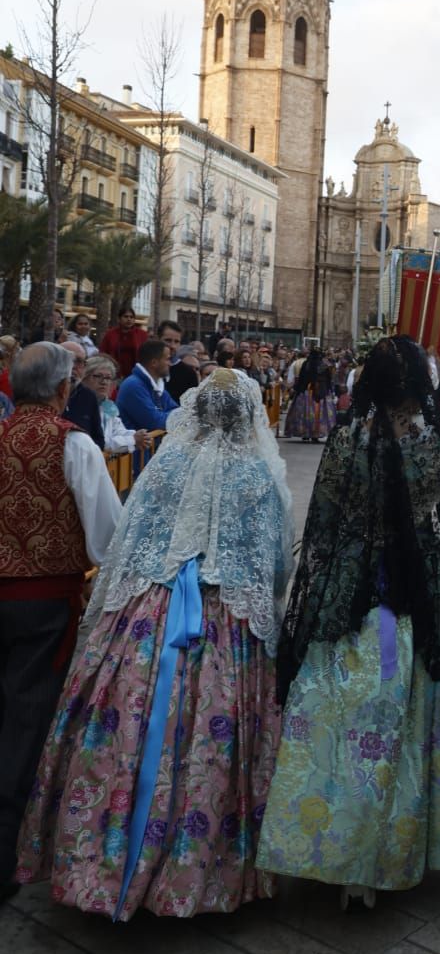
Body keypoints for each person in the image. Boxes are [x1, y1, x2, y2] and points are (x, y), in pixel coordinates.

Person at [16, 368, 294, 919]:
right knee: (208, 743)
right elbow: (272, 565)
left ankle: (100, 859)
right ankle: (195, 873)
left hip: (146, 615)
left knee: (128, 726)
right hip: (225, 625)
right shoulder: (259, 476)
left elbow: (127, 539)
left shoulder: (166, 464)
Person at [256, 336, 440, 908]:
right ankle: (389, 846)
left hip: (347, 597)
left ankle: (327, 839)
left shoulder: (343, 441)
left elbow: (324, 528)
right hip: (408, 605)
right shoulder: (430, 449)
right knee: (401, 723)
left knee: (338, 718)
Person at [0, 343, 122, 903]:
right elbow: (106, 538)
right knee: (28, 716)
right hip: (45, 603)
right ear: (62, 389)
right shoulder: (73, 443)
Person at [116, 339, 178, 469]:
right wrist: (172, 416)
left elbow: (177, 411)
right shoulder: (133, 386)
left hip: (147, 459)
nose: (170, 363)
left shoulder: (157, 385)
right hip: (133, 464)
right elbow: (155, 422)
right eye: (167, 359)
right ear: (154, 362)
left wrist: (171, 415)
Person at [81, 355, 151, 455]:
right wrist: (132, 440)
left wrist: (138, 435)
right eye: (98, 376)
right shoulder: (80, 406)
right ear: (84, 379)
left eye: (108, 378)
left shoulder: (107, 404)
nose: (103, 382)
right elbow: (99, 443)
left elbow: (119, 430)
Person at [284, 347, 336, 442]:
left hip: (307, 391)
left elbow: (301, 379)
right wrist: (329, 391)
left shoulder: (307, 364)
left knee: (305, 411)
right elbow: (329, 380)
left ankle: (305, 433)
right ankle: (315, 434)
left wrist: (297, 389)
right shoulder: (324, 365)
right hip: (321, 393)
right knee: (319, 413)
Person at [60, 341, 105, 451]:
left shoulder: (89, 396)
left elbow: (99, 440)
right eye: (69, 360)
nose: (73, 366)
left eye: (79, 362)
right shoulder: (41, 393)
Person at [100, 306, 148, 379]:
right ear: (119, 319)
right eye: (126, 316)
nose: (129, 319)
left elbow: (147, 354)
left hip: (136, 374)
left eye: (131, 317)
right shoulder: (110, 334)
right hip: (114, 374)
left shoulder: (142, 334)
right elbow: (103, 353)